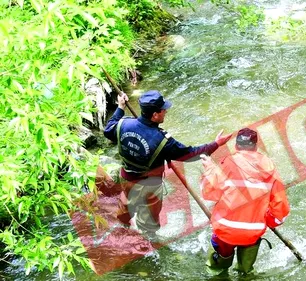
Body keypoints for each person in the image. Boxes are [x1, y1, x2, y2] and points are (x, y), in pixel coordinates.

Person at [103, 90, 231, 237]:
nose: (166, 112)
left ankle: (121, 228)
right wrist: (216, 144)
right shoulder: (163, 141)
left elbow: (108, 130)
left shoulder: (123, 124)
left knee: (126, 203)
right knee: (149, 224)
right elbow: (190, 154)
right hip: (149, 186)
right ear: (155, 115)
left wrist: (120, 107)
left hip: (126, 178)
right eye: (164, 110)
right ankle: (148, 244)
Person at [200, 128, 290, 275]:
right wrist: (267, 220)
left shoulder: (227, 163)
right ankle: (245, 272)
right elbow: (281, 208)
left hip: (225, 231)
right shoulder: (269, 167)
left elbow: (209, 193)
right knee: (246, 272)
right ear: (256, 146)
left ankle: (218, 272)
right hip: (252, 232)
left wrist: (210, 168)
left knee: (216, 270)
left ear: (236, 146)